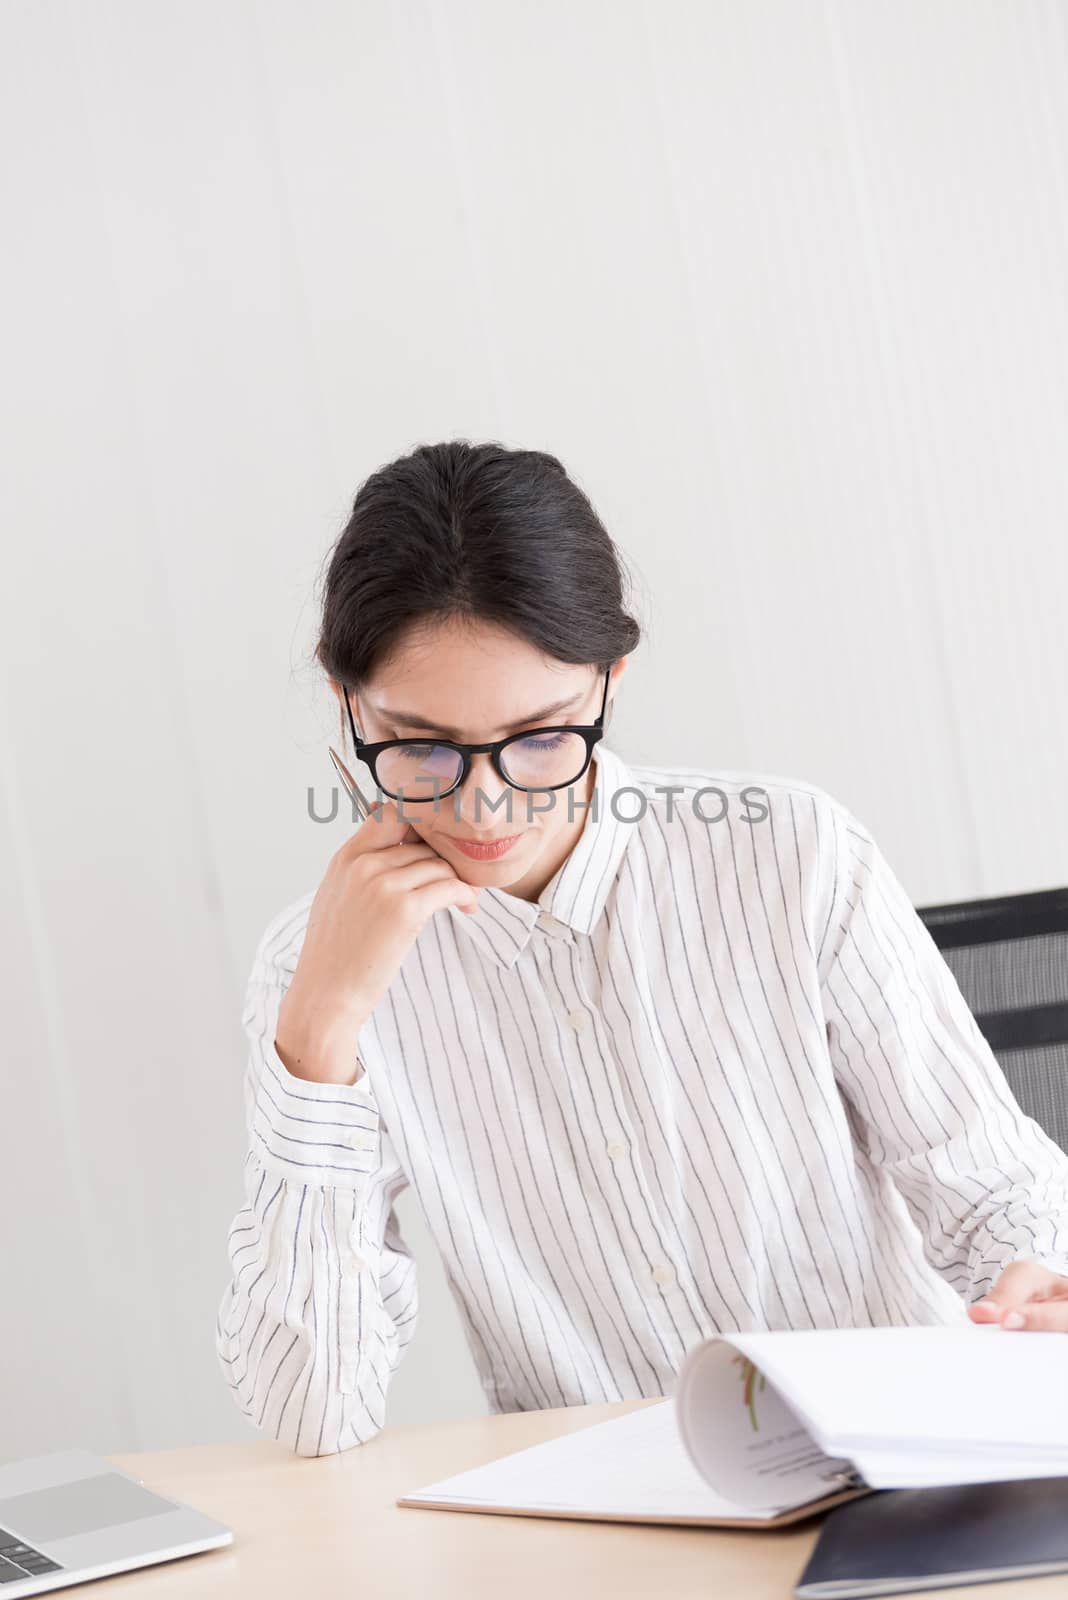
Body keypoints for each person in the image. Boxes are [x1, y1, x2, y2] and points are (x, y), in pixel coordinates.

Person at [215, 439, 1068, 1458]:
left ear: (610, 679)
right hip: (604, 1526)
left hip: (889, 1467)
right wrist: (320, 1034)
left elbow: (994, 1193)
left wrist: (1037, 1281)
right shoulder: (315, 970)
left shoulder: (791, 857)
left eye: (541, 737)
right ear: (347, 700)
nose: (487, 801)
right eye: (422, 745)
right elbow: (313, 1411)